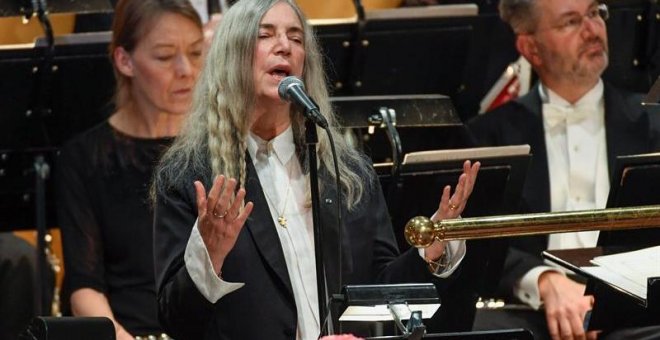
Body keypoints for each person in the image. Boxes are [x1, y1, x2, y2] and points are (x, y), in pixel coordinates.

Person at [151, 0, 480, 339]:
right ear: (231, 56)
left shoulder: (347, 171)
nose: (285, 46)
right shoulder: (188, 175)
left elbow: (379, 292)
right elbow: (177, 321)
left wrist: (432, 247)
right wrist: (210, 255)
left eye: (296, 38)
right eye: (265, 35)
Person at [467, 0, 660, 339]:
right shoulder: (487, 136)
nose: (592, 30)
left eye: (596, 12)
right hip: (531, 316)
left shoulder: (655, 123)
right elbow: (476, 242)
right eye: (571, 22)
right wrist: (543, 280)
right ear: (531, 48)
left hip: (638, 315)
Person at [54, 0, 204, 339]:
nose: (186, 70)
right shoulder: (85, 158)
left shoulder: (220, 144)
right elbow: (84, 285)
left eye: (196, 53)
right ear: (125, 60)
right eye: (165, 56)